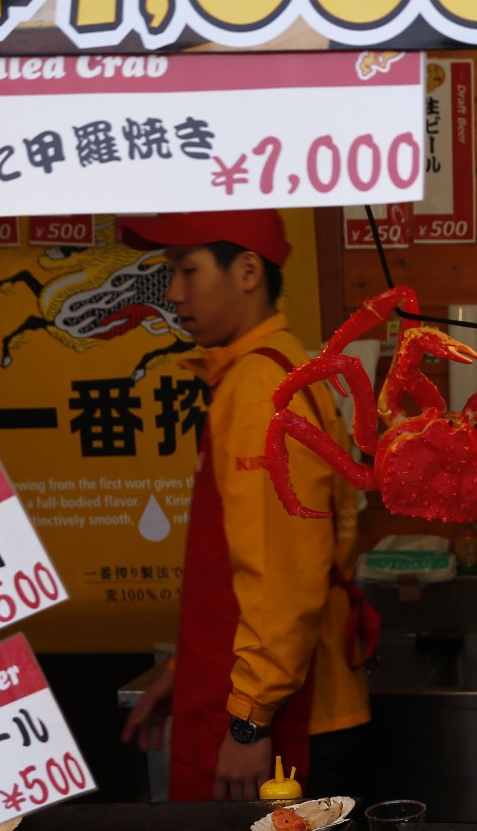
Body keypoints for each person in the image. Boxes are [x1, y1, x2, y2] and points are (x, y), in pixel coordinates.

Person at [115, 210, 367, 801]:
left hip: (286, 714)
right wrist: (182, 674)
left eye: (188, 270)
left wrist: (250, 720)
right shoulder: (266, 372)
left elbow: (282, 573)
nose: (173, 293)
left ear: (248, 270)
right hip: (277, 694)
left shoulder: (262, 393)